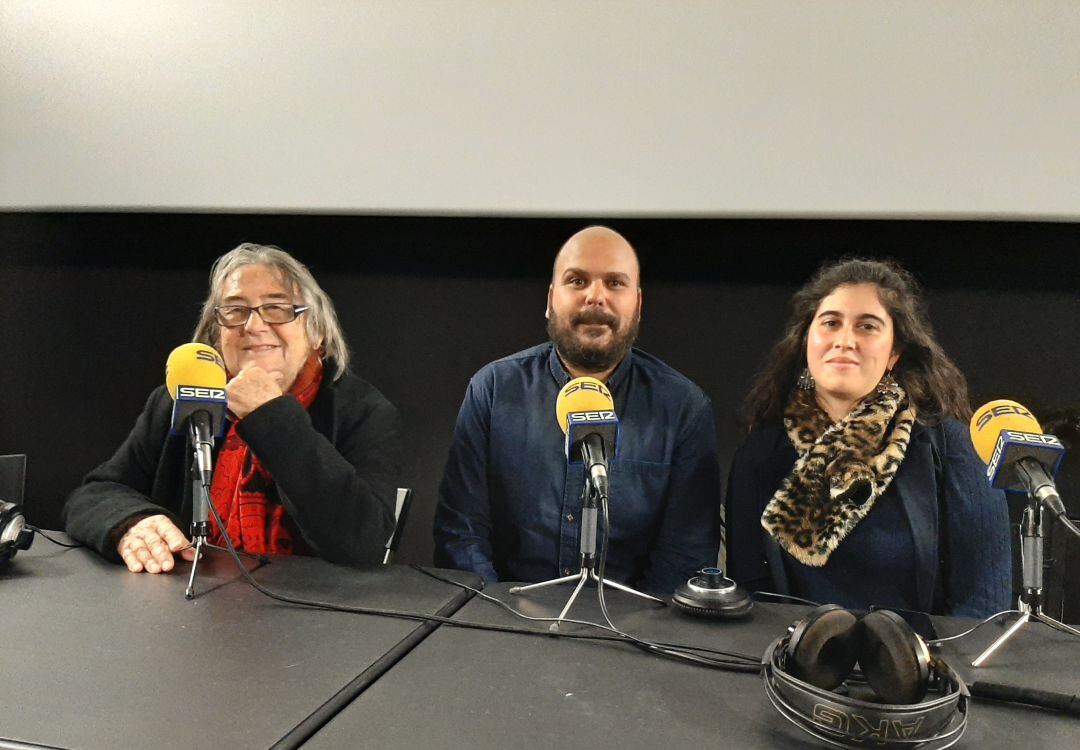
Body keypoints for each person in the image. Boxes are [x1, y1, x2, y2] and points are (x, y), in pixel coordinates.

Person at [64, 243, 402, 573]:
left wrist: (272, 415)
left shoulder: (363, 411)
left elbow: (363, 542)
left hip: (310, 612)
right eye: (234, 310)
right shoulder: (179, 399)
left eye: (277, 308)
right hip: (187, 604)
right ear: (216, 333)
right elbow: (94, 494)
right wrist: (132, 523)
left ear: (316, 332)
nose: (253, 326)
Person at [434, 225, 720, 595]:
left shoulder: (683, 408)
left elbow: (686, 555)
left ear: (638, 303)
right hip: (505, 624)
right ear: (551, 298)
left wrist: (634, 631)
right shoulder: (493, 390)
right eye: (577, 280)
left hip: (632, 632)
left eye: (615, 283)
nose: (595, 297)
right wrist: (498, 619)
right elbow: (460, 533)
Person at [725, 258, 1011, 617]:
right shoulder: (761, 454)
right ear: (806, 340)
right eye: (830, 323)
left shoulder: (954, 448)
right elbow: (750, 599)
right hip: (790, 668)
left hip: (924, 666)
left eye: (867, 326)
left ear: (894, 353)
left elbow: (984, 609)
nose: (845, 341)